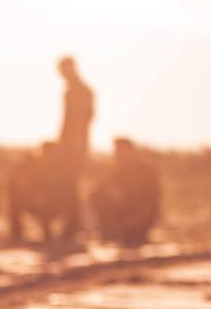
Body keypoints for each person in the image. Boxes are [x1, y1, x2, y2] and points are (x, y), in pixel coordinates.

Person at [52, 56, 94, 238]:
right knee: (67, 185)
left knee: (70, 185)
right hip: (69, 145)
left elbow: (79, 121)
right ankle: (72, 224)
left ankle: (73, 226)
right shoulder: (72, 91)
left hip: (74, 147)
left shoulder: (81, 91)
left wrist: (74, 149)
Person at [90, 138, 160, 245]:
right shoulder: (114, 174)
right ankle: (111, 231)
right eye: (116, 152)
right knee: (96, 195)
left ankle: (129, 232)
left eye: (120, 151)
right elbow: (97, 194)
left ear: (130, 152)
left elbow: (151, 203)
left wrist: (134, 221)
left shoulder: (146, 173)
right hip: (121, 217)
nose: (117, 155)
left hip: (141, 218)